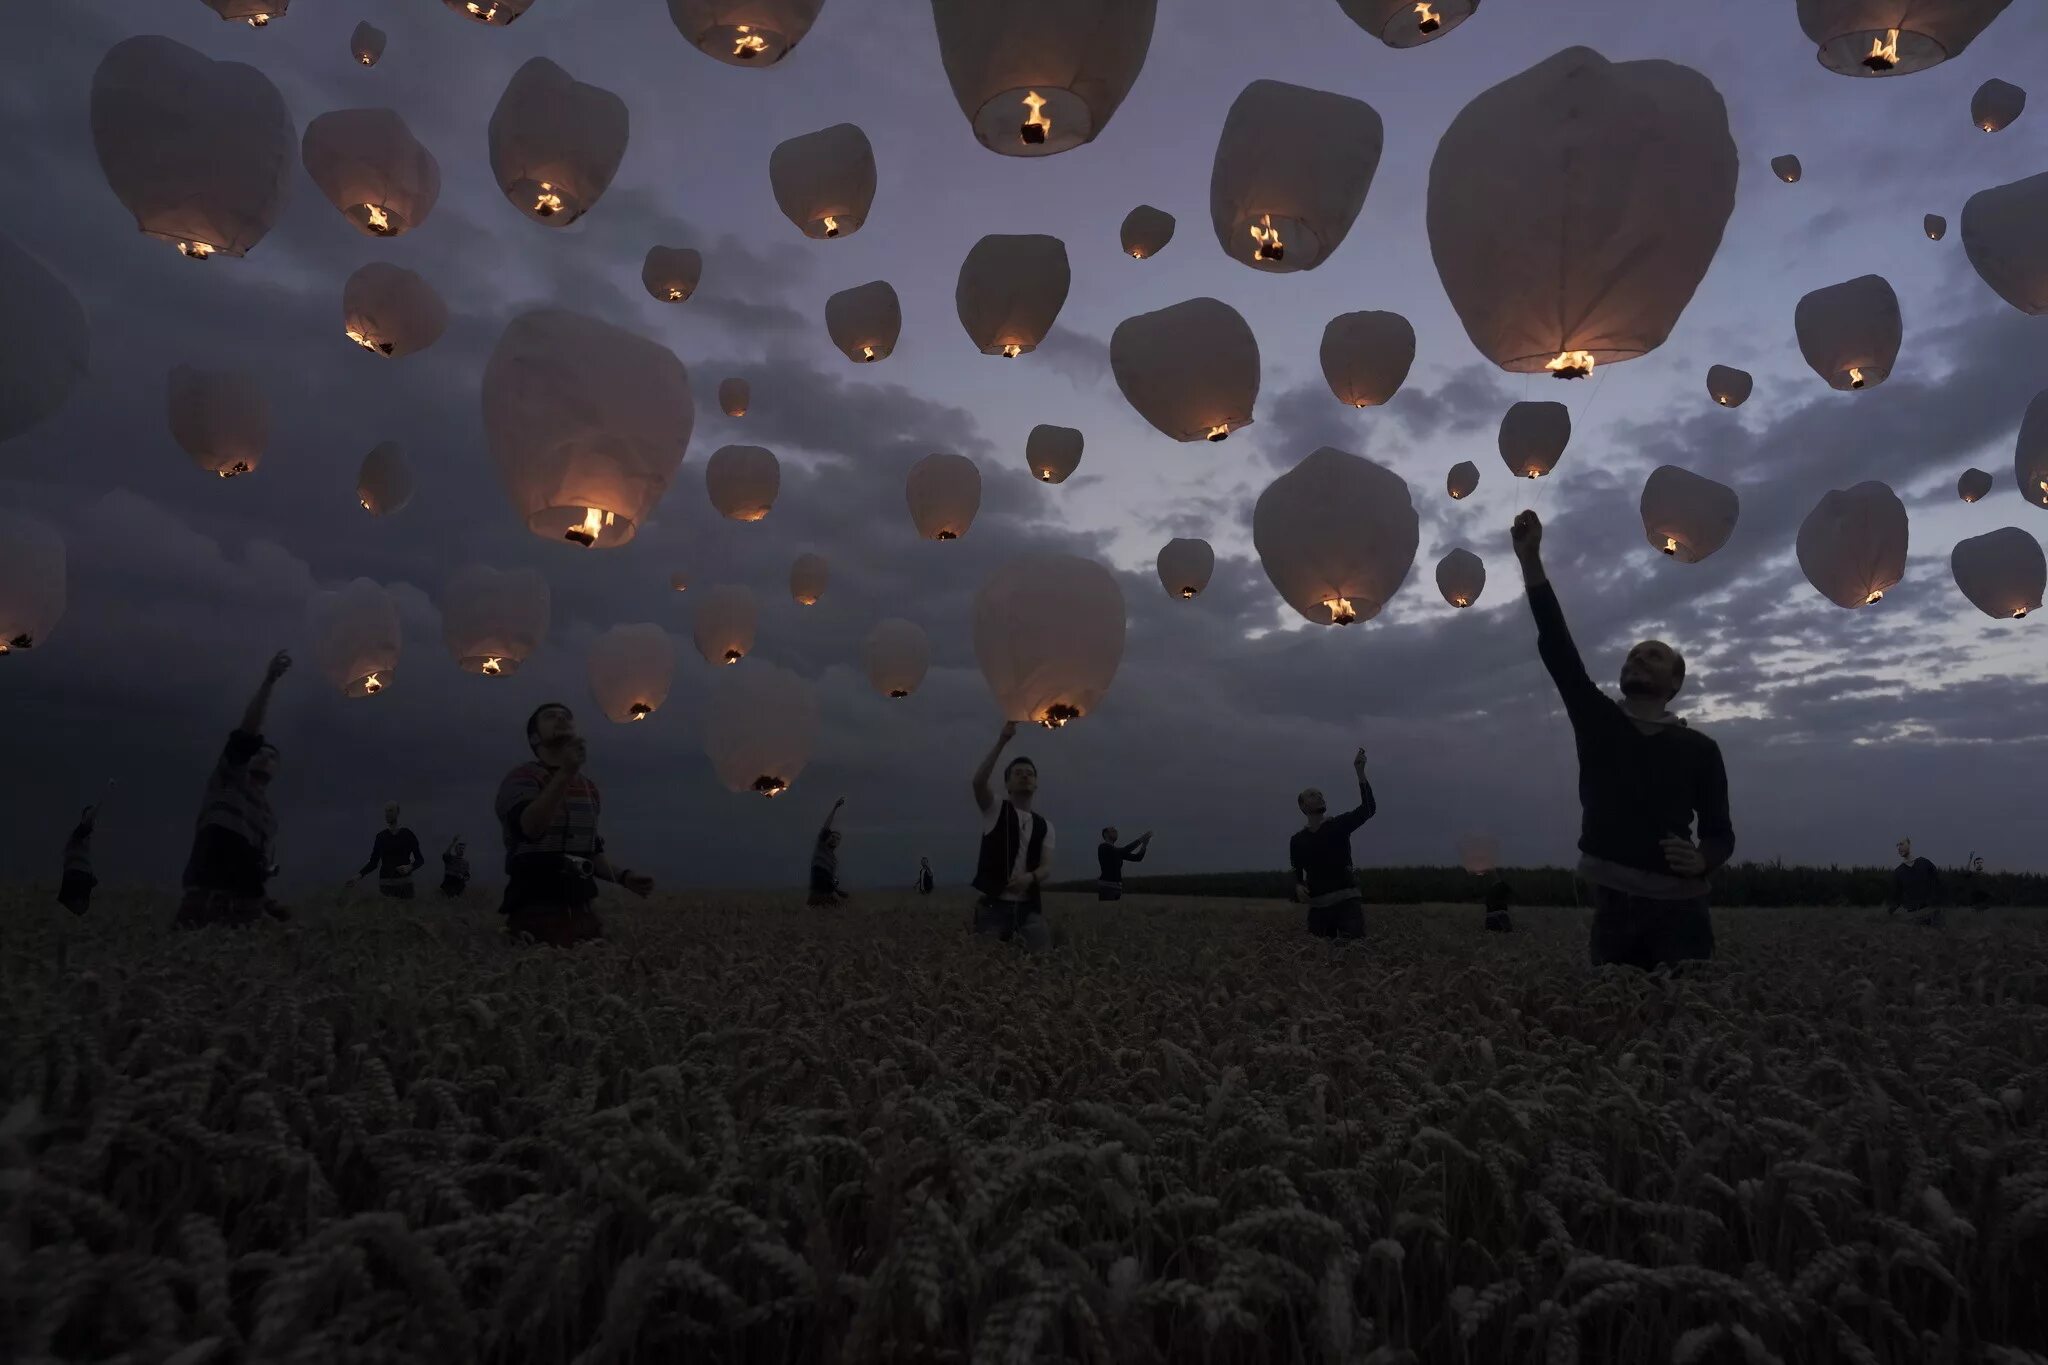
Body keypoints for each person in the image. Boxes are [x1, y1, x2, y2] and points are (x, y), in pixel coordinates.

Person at [1511, 510, 1735, 971]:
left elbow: (1719, 834)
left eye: (1652, 656)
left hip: (1682, 911)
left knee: (1684, 1024)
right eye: (1633, 655)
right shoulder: (1599, 722)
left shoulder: (1701, 750)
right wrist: (1531, 561)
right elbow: (1558, 647)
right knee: (1616, 1028)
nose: (1637, 658)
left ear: (1675, 683)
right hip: (1613, 907)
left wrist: (1701, 860)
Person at [494, 702, 653, 947]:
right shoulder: (522, 779)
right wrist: (566, 773)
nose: (561, 719)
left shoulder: (588, 789)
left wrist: (625, 877)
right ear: (534, 738)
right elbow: (531, 828)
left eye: (566, 716)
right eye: (550, 717)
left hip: (582, 910)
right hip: (535, 908)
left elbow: (589, 852)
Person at [177, 650, 294, 928]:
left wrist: (270, 906)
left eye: (273, 756)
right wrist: (269, 682)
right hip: (204, 901)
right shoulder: (228, 779)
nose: (265, 757)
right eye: (261, 752)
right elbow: (248, 731)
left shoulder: (267, 818)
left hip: (243, 911)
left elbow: (252, 871)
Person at [970, 721, 1054, 951]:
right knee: (985, 974)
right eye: (1018, 773)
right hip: (992, 909)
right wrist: (1002, 741)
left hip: (1029, 910)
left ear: (1036, 784)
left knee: (1042, 964)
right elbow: (978, 783)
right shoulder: (994, 810)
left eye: (1029, 774)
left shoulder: (1045, 826)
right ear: (1007, 784)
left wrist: (1030, 878)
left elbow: (1046, 867)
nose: (1025, 777)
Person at [1289, 747, 1377, 939]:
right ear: (1303, 806)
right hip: (1319, 910)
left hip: (1348, 905)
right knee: (1318, 962)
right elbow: (1296, 871)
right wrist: (1297, 885)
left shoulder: (1339, 825)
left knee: (1353, 956)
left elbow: (1369, 809)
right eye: (1312, 794)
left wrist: (1360, 773)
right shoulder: (1297, 841)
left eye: (1320, 793)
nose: (1319, 796)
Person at [347, 802, 424, 900]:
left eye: (391, 811)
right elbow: (373, 862)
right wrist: (358, 876)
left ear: (398, 812)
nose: (387, 814)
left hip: (405, 885)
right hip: (386, 885)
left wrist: (409, 867)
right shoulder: (381, 837)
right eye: (386, 811)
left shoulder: (408, 834)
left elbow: (420, 859)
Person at [1888, 838, 1943, 926]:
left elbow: (1938, 882)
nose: (1899, 848)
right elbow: (1896, 896)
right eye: (1897, 846)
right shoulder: (1899, 872)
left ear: (1909, 845)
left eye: (1901, 844)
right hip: (1913, 916)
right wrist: (1889, 913)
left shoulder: (1925, 863)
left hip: (1932, 913)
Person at [57, 805, 98, 916]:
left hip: (81, 878)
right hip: (75, 876)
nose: (94, 821)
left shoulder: (85, 840)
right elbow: (84, 827)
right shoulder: (78, 834)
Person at [809, 798, 850, 906]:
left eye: (837, 838)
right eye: (833, 836)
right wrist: (835, 808)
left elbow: (832, 880)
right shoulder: (821, 847)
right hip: (817, 888)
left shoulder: (833, 860)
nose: (834, 839)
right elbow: (826, 825)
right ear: (827, 838)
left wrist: (837, 890)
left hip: (826, 892)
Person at [1095, 827, 1154, 901]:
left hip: (1117, 887)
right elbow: (1126, 850)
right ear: (1105, 834)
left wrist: (1144, 845)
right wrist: (1141, 839)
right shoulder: (1103, 847)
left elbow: (1137, 858)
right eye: (1113, 831)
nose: (1116, 832)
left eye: (1116, 831)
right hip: (1107, 886)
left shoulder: (1117, 852)